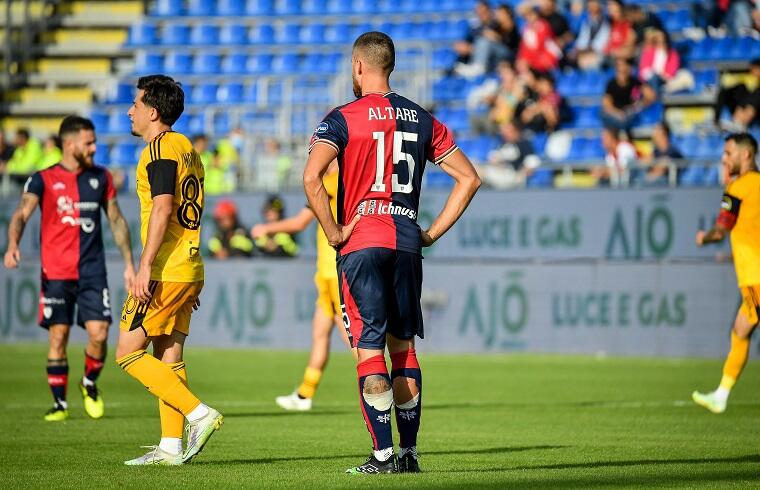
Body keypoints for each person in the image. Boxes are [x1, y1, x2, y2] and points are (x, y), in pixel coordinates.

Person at [303, 32, 481, 474]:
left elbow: (311, 178)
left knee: (369, 347)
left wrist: (333, 231)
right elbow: (470, 179)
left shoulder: (342, 117)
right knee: (403, 349)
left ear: (358, 66)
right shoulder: (423, 119)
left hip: (362, 240)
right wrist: (432, 233)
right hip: (405, 239)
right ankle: (408, 453)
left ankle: (382, 454)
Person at [116, 75, 222, 466]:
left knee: (127, 353)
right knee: (168, 354)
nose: (130, 111)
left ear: (153, 112)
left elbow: (163, 208)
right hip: (188, 265)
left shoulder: (160, 148)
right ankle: (171, 447)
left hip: (164, 267)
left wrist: (145, 267)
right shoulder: (187, 148)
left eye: (135, 104)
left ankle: (198, 413)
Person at [2, 116, 135, 421]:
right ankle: (60, 405)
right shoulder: (42, 178)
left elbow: (115, 219)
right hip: (56, 272)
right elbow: (22, 214)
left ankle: (88, 383)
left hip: (92, 271)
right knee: (58, 336)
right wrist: (13, 245)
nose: (94, 147)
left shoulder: (101, 178)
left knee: (100, 333)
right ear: (70, 143)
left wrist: (129, 264)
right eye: (89, 142)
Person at [251, 161, 354, 411]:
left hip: (334, 272)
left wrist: (266, 228)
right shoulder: (347, 179)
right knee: (320, 333)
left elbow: (299, 223)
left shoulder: (331, 182)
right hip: (328, 272)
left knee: (352, 337)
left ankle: (380, 385)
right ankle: (304, 395)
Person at [692, 133, 760, 414]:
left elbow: (721, 230)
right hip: (752, 277)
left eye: (729, 153)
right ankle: (721, 394)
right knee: (740, 330)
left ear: (745, 155)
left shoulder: (738, 188)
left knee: (741, 330)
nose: (724, 158)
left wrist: (703, 238)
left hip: (756, 277)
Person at [601, 57, 656, 134]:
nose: (622, 73)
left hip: (629, 114)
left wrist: (639, 105)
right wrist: (617, 113)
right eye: (620, 70)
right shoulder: (611, 84)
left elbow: (651, 95)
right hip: (615, 115)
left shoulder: (634, 82)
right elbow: (606, 104)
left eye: (625, 70)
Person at [478, 121, 540, 188]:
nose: (505, 133)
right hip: (497, 173)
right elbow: (492, 159)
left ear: (516, 131)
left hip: (512, 176)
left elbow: (532, 164)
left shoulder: (524, 145)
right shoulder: (501, 144)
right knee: (474, 167)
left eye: (508, 130)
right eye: (504, 131)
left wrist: (520, 177)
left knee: (475, 173)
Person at [570, 0, 610, 71]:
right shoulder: (587, 22)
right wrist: (578, 50)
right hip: (586, 52)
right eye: (590, 5)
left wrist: (585, 50)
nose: (591, 8)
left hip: (600, 54)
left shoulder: (606, 22)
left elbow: (600, 45)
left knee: (585, 61)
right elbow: (582, 39)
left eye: (594, 5)